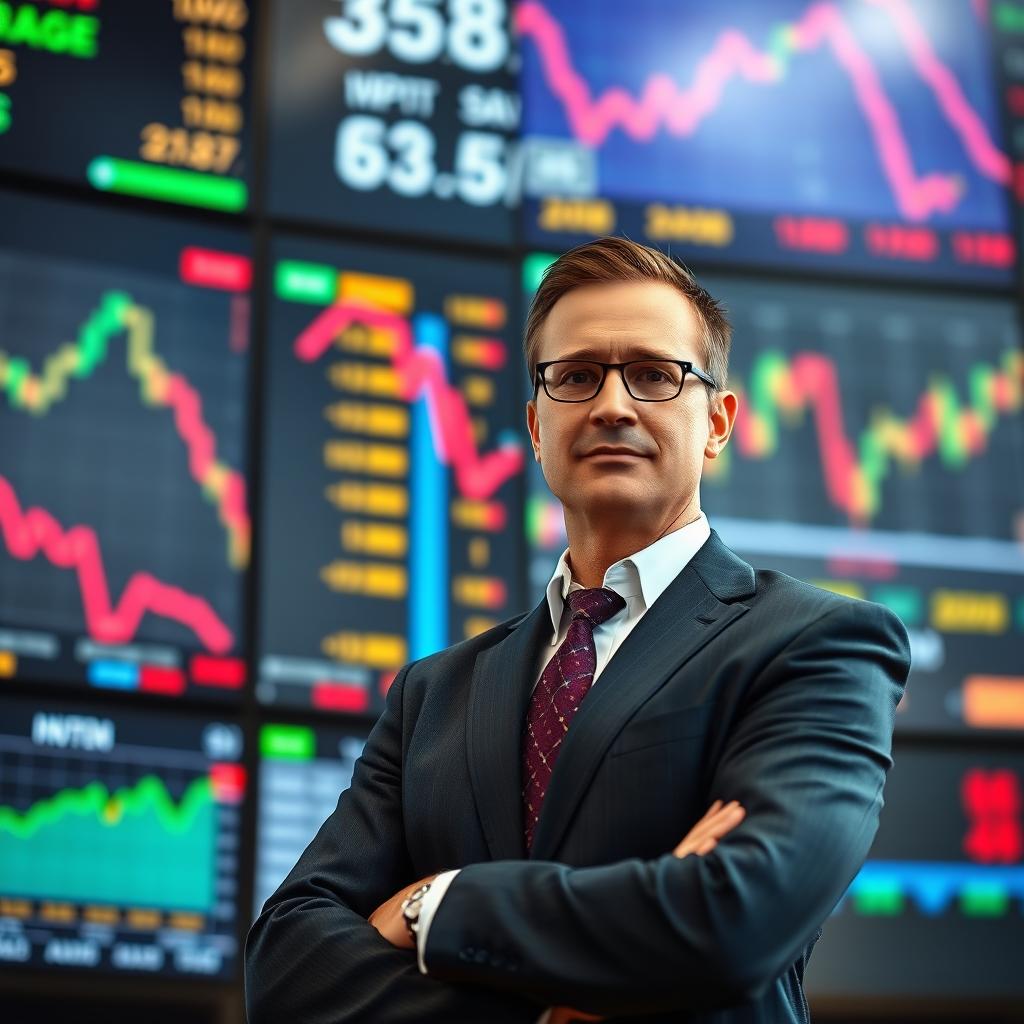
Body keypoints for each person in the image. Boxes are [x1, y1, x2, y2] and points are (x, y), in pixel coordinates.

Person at [245, 236, 911, 1024]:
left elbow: (734, 921)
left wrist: (439, 903)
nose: (612, 405)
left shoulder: (816, 643)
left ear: (719, 422)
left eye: (657, 375)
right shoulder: (432, 694)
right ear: (535, 423)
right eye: (577, 376)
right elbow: (285, 969)